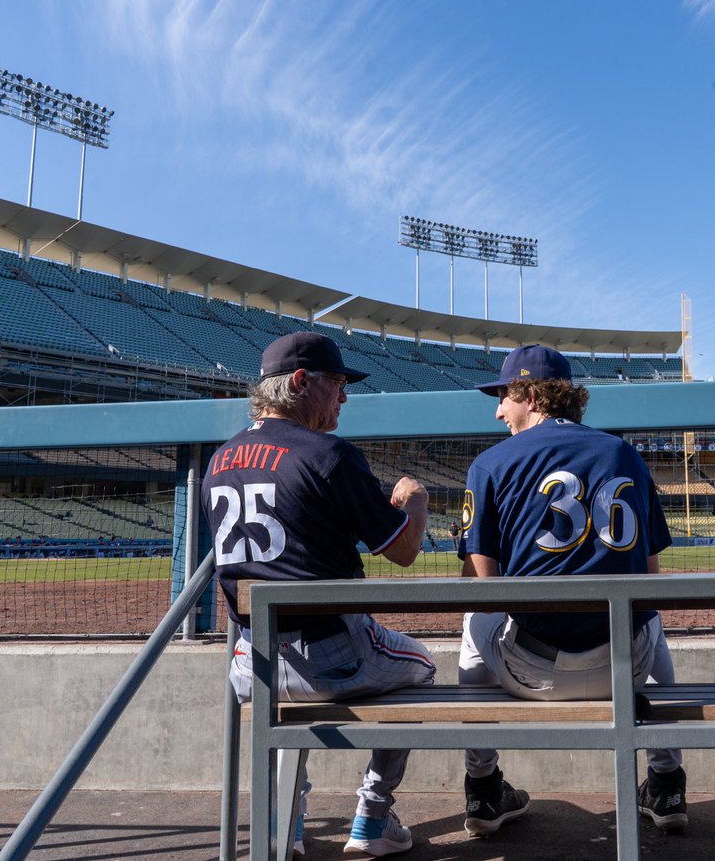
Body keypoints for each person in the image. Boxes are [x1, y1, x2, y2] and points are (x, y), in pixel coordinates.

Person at [205, 331, 436, 858]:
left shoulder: (220, 458)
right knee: (423, 667)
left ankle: (283, 828)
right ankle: (373, 819)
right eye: (336, 383)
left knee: (280, 706)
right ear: (302, 382)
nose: (344, 396)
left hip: (249, 662)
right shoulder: (329, 453)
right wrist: (416, 502)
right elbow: (401, 551)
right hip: (334, 658)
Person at [456, 345, 687, 836]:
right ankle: (667, 781)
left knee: (473, 617)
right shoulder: (624, 453)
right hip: (626, 668)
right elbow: (650, 572)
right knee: (649, 611)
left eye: (503, 396)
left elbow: (482, 584)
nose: (498, 409)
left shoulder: (490, 463)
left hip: (531, 670)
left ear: (533, 396)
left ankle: (482, 788)